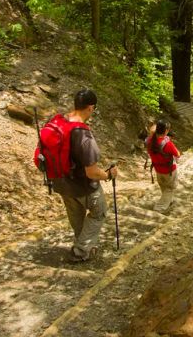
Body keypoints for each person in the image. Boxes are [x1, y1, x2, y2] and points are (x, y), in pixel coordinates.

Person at [52, 89, 118, 262]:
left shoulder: (58, 122)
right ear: (90, 108)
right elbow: (92, 172)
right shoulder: (83, 135)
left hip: (60, 181)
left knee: (76, 215)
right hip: (81, 185)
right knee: (99, 212)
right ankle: (80, 251)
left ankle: (81, 245)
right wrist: (108, 175)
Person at [146, 119, 181, 212]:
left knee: (164, 187)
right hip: (169, 171)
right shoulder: (167, 144)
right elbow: (177, 154)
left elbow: (152, 133)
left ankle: (169, 201)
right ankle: (160, 207)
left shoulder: (149, 141)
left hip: (157, 169)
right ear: (166, 131)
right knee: (170, 188)